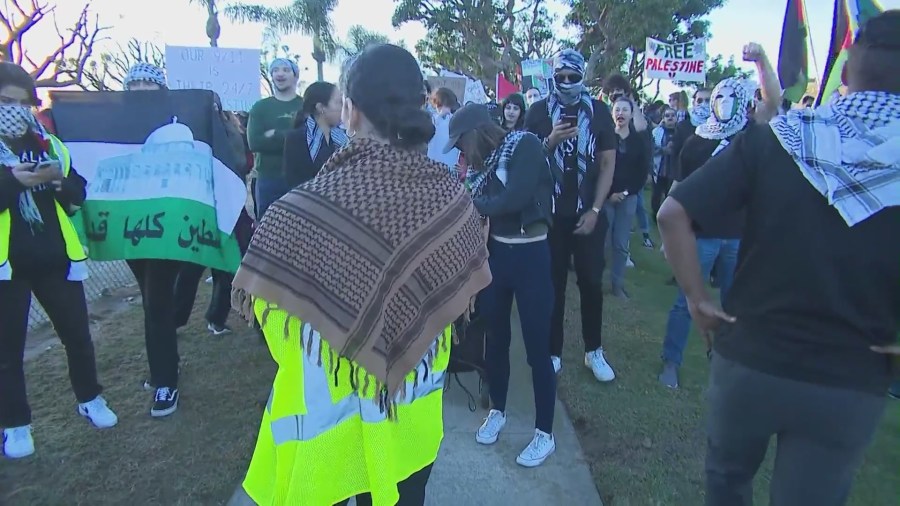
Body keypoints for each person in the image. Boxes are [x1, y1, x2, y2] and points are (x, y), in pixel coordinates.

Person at [657, 11, 900, 505]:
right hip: (848, 379)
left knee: (726, 481)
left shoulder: (778, 139)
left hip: (750, 359)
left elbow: (671, 212)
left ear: (847, 70)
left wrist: (697, 299)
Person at [233, 44, 491, 506]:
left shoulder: (295, 214)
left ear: (350, 112)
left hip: (326, 436)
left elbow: (274, 329)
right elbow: (458, 307)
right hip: (410, 426)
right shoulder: (452, 201)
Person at [0, 62, 118, 459]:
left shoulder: (49, 143)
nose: (15, 109)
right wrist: (14, 181)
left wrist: (57, 182)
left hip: (56, 258)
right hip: (6, 266)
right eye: (5, 101)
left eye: (22, 103)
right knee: (7, 351)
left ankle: (90, 399)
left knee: (78, 337)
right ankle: (15, 425)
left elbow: (77, 190)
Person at [446, 104, 557, 467]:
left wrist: (472, 203)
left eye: (462, 144)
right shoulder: (484, 165)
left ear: (476, 132)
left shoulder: (524, 145)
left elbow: (515, 199)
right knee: (495, 338)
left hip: (532, 259)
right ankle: (498, 409)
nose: (462, 154)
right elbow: (488, 206)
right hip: (498, 258)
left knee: (538, 349)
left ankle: (545, 432)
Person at [524, 49, 617, 380]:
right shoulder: (537, 111)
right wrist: (549, 141)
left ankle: (594, 351)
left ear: (582, 77)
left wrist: (595, 208)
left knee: (591, 282)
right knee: (553, 284)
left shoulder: (599, 112)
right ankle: (553, 351)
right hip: (550, 214)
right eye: (560, 77)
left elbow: (607, 163)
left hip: (587, 213)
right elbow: (526, 161)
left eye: (572, 77)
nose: (565, 83)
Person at [119, 63, 188, 417]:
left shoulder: (176, 125)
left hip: (167, 227)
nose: (141, 88)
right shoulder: (115, 125)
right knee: (152, 299)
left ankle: (165, 381)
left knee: (156, 302)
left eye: (149, 82)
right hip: (130, 227)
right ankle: (168, 361)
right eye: (135, 83)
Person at [173, 93, 253, 336]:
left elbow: (244, 162)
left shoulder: (232, 129)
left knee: (231, 266)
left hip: (231, 203)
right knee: (191, 269)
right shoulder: (187, 132)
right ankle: (173, 320)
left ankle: (217, 318)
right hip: (200, 207)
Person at [605, 97, 651, 299]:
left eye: (625, 109)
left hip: (628, 198)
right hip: (605, 198)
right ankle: (597, 280)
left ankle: (617, 284)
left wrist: (624, 193)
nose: (621, 113)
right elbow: (598, 169)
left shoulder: (638, 141)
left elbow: (642, 173)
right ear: (612, 113)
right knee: (603, 242)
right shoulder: (605, 138)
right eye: (617, 109)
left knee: (621, 243)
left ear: (631, 114)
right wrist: (608, 194)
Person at [247, 58, 302, 219]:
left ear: (295, 76)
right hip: (268, 178)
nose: (280, 74)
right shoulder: (260, 107)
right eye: (275, 70)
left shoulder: (304, 105)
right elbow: (254, 142)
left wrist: (275, 135)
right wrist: (292, 136)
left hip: (299, 177)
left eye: (285, 70)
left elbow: (307, 141)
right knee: (266, 225)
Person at [282, 81, 348, 188]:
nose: (342, 107)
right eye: (338, 102)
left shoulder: (342, 137)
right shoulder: (297, 138)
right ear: (321, 107)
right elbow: (293, 182)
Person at [650, 106, 678, 218]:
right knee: (656, 195)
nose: (670, 118)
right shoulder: (656, 132)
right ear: (663, 118)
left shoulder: (680, 132)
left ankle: (668, 216)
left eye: (672, 115)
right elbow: (651, 148)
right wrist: (663, 150)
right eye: (667, 116)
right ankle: (655, 215)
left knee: (671, 195)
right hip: (659, 170)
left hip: (674, 171)